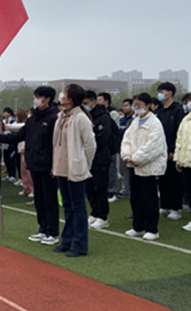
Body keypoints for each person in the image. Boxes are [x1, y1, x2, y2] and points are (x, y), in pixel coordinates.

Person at [0, 86, 60, 245]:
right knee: (39, 199)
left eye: (38, 97)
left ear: (47, 99)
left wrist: (55, 164)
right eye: (35, 97)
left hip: (48, 165)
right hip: (34, 163)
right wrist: (0, 137)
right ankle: (42, 228)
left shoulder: (54, 118)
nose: (35, 100)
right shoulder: (33, 118)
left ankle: (52, 232)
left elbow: (57, 144)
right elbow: (19, 136)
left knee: (49, 200)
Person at [52, 84, 96, 257]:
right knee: (68, 206)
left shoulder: (80, 118)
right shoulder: (61, 117)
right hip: (62, 168)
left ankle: (79, 244)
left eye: (64, 93)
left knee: (78, 207)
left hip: (75, 169)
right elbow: (56, 145)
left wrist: (84, 164)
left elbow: (90, 145)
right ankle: (67, 240)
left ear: (71, 99)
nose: (61, 96)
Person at [120, 93, 167, 241]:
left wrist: (136, 159)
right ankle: (138, 226)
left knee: (149, 199)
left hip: (148, 166)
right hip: (133, 166)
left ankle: (152, 229)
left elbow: (153, 146)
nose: (136, 107)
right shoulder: (135, 122)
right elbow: (126, 140)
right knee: (136, 197)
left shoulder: (155, 123)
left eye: (139, 105)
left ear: (148, 105)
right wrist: (127, 156)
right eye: (135, 104)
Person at [82, 90, 113, 230]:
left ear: (94, 102)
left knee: (100, 188)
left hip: (100, 157)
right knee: (89, 188)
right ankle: (94, 212)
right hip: (86, 157)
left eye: (86, 103)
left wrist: (89, 146)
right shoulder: (84, 116)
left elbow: (103, 138)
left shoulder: (103, 116)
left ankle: (103, 216)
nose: (84, 106)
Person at [155, 82, 186, 221]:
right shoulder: (159, 110)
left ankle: (175, 208)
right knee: (162, 178)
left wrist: (173, 149)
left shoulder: (178, 109)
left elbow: (179, 131)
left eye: (163, 91)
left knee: (174, 180)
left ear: (170, 93)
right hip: (160, 150)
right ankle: (165, 205)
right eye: (159, 91)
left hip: (172, 150)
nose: (160, 94)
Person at [174, 91, 191, 232]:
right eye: (190, 100)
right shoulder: (186, 119)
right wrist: (178, 159)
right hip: (186, 161)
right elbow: (180, 140)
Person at [97, 92, 120, 203]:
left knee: (111, 169)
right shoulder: (97, 113)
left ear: (106, 101)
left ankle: (113, 191)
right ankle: (105, 191)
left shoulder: (112, 113)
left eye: (100, 99)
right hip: (101, 147)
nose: (98, 101)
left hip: (110, 145)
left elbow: (111, 130)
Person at [118, 99, 135, 197]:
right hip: (122, 147)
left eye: (126, 105)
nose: (124, 108)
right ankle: (125, 189)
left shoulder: (133, 119)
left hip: (131, 149)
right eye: (123, 106)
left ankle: (128, 190)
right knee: (123, 170)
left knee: (130, 171)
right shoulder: (122, 120)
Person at [2, 107, 18, 183]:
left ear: (9, 113)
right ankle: (9, 174)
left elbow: (13, 130)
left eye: (5, 112)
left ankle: (13, 175)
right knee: (6, 159)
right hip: (4, 142)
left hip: (11, 142)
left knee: (11, 159)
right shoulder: (4, 121)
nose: (4, 114)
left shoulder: (13, 121)